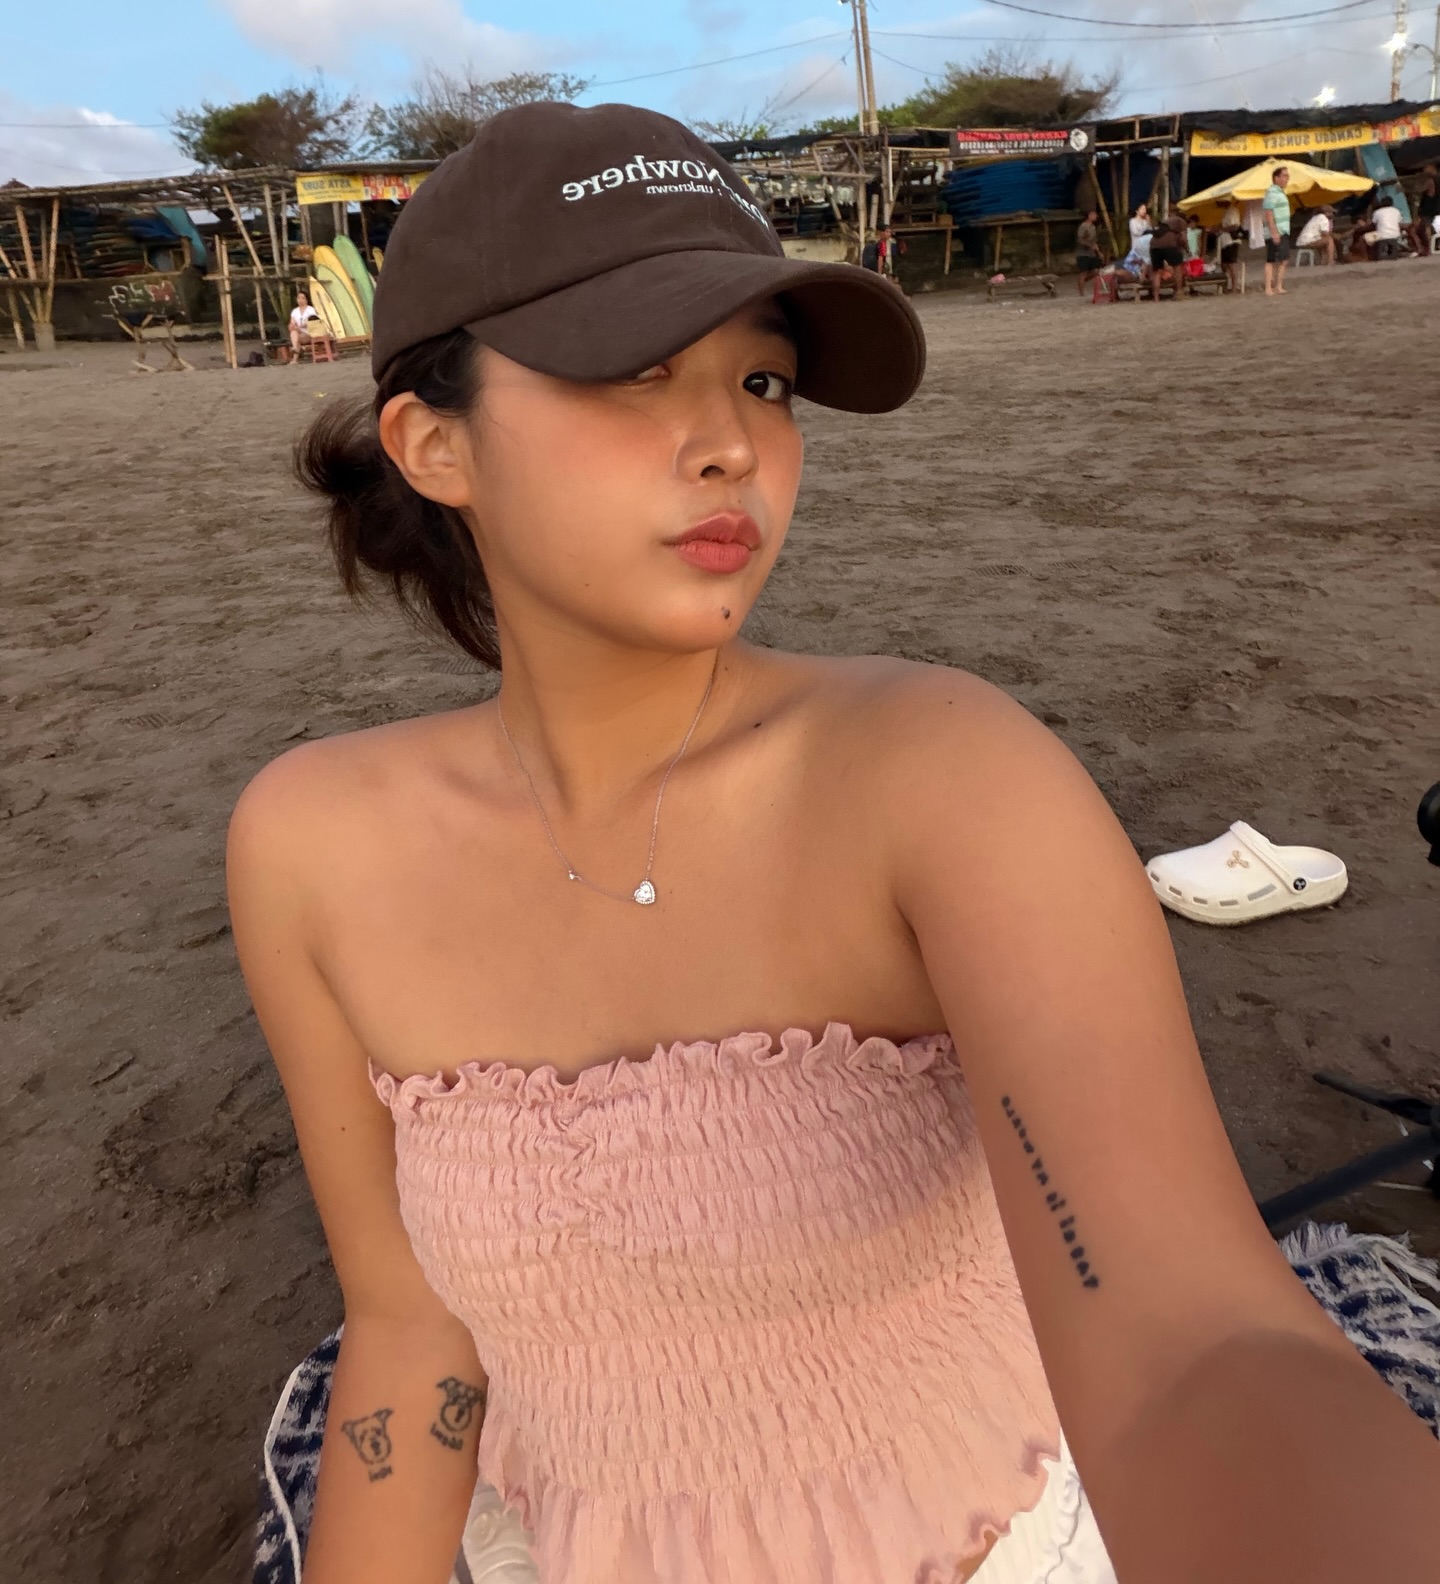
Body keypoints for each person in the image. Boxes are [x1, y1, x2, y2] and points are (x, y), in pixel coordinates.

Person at [229, 101, 1440, 1584]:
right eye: (633, 370)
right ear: (434, 443)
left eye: (764, 380)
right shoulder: (312, 845)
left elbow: (1189, 1330)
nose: (732, 445)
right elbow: (411, 1329)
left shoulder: (943, 775)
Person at [1145, 208, 1188, 300]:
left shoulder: (1165, 222)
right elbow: (1183, 238)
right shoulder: (1181, 221)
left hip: (1154, 245)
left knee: (1157, 271)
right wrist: (1187, 249)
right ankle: (1179, 292)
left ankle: (1156, 297)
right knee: (1177, 267)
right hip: (1169, 244)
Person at [1261, 165, 1291, 295]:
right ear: (1276, 178)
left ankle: (1278, 285)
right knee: (1271, 259)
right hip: (1276, 230)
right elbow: (1269, 213)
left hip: (1283, 229)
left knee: (1283, 259)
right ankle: (1269, 287)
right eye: (1284, 176)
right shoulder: (1272, 193)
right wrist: (1274, 232)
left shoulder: (1280, 193)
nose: (1286, 179)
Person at [1365, 191, 1405, 258]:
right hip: (1395, 234)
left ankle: (1370, 255)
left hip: (1381, 235)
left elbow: (1373, 225)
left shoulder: (1377, 212)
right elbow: (1399, 223)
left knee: (1366, 237)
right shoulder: (1396, 211)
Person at [1075, 208, 1102, 294]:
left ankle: (1082, 282)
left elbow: (1094, 241)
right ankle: (1081, 293)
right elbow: (1080, 239)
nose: (1096, 216)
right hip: (1082, 252)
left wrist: (1098, 252)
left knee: (1095, 271)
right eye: (1094, 214)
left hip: (1091, 253)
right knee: (1083, 272)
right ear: (1089, 216)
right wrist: (1090, 245)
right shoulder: (1083, 226)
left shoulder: (1093, 227)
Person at [1217, 201, 1243, 292]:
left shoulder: (1232, 211)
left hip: (1231, 241)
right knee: (1224, 264)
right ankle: (1226, 285)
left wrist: (1222, 229)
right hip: (1225, 241)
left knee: (1232, 264)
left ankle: (1234, 287)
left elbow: (1234, 226)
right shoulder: (1226, 211)